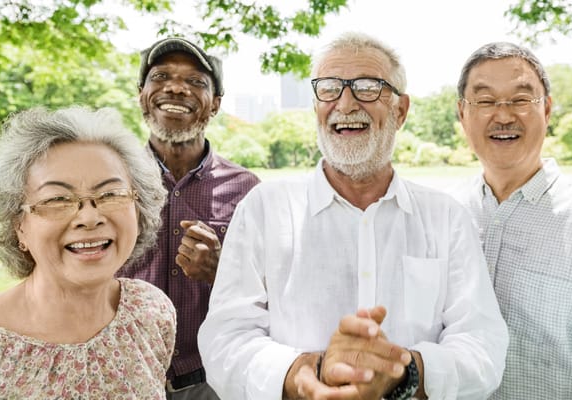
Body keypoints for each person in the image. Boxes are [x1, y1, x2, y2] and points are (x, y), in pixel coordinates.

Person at [197, 32, 509, 400]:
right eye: (329, 88)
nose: (345, 104)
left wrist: (402, 373)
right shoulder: (264, 209)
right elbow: (225, 340)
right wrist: (310, 373)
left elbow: (483, 346)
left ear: (401, 110)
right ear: (316, 106)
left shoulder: (446, 218)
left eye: (367, 87)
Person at [0, 106, 174, 398]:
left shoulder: (151, 311)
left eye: (110, 194)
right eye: (57, 199)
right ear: (18, 225)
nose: (89, 217)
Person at [452, 41, 572, 399]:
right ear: (462, 113)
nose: (503, 115)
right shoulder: (446, 215)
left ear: (546, 109)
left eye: (520, 99)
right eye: (485, 101)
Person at [117, 37, 260, 399]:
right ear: (141, 93)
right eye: (161, 76)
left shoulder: (248, 190)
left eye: (196, 81)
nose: (176, 88)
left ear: (215, 104)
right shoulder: (110, 179)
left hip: (211, 381)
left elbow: (273, 295)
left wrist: (221, 270)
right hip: (121, 375)